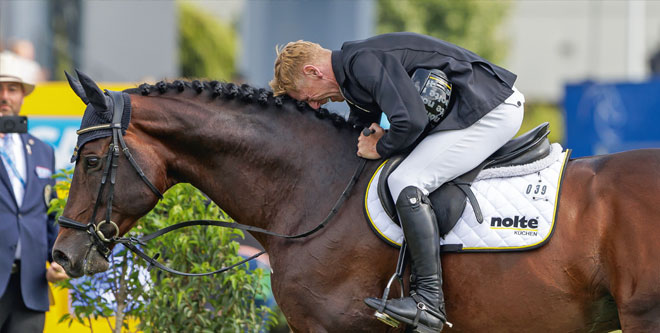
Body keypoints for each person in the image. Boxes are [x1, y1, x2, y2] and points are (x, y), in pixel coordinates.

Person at [270, 32, 524, 332]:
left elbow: (410, 121)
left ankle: (428, 300)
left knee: (407, 180)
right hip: (475, 109)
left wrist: (380, 146)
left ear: (312, 72)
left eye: (306, 96)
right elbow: (362, 129)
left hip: (491, 110)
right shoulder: (353, 76)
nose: (313, 105)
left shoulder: (361, 61)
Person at [0, 50, 68, 332]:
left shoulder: (43, 151)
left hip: (31, 287)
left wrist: (57, 259)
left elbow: (49, 212)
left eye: (12, 89)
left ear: (23, 95)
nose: (5, 96)